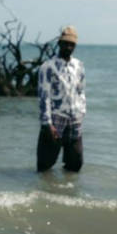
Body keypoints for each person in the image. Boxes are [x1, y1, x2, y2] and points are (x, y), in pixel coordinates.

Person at [36, 25, 86, 172]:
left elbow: (81, 91)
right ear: (59, 43)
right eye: (66, 43)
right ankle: (44, 187)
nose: (69, 47)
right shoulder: (47, 67)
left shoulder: (79, 66)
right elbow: (44, 96)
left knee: (75, 164)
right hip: (55, 118)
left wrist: (82, 112)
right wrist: (47, 123)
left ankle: (66, 186)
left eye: (72, 44)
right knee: (45, 165)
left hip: (75, 119)